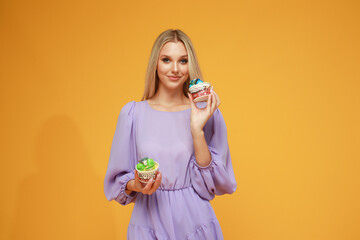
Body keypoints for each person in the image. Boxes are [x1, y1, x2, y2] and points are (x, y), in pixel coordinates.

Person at [104, 29, 237, 239]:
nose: (175, 69)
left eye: (183, 61)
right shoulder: (132, 114)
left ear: (190, 65)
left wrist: (196, 130)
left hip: (194, 222)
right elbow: (117, 182)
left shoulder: (206, 112)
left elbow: (210, 186)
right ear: (155, 64)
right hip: (148, 222)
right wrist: (137, 185)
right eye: (166, 60)